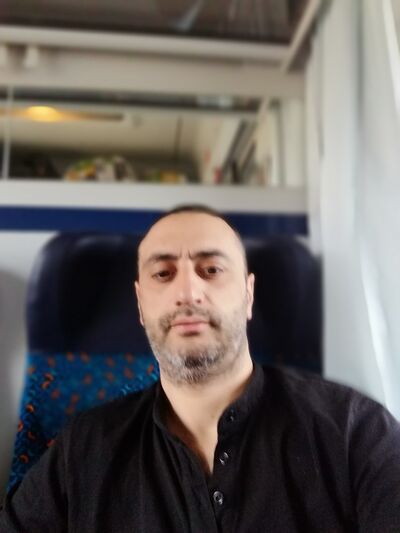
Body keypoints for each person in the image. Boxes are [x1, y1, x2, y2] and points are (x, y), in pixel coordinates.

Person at [1, 205, 400, 533]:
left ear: (248, 295)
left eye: (211, 270)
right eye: (163, 273)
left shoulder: (356, 432)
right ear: (140, 305)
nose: (188, 292)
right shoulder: (82, 452)